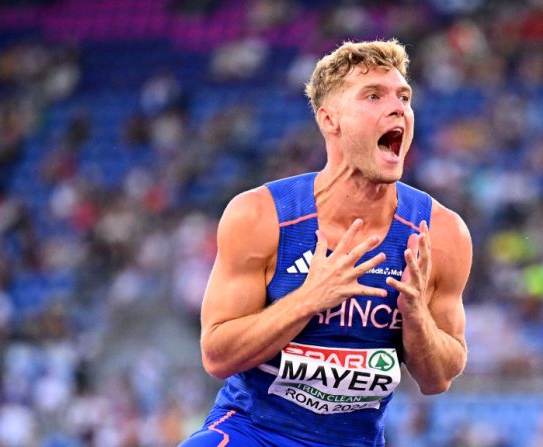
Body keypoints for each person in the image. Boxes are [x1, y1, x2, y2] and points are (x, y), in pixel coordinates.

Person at [179, 39, 472, 447]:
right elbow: (217, 356)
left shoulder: (441, 233)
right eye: (374, 95)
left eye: (404, 97)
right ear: (329, 120)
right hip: (255, 432)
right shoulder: (260, 216)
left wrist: (417, 317)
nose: (398, 107)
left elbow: (438, 377)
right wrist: (308, 298)